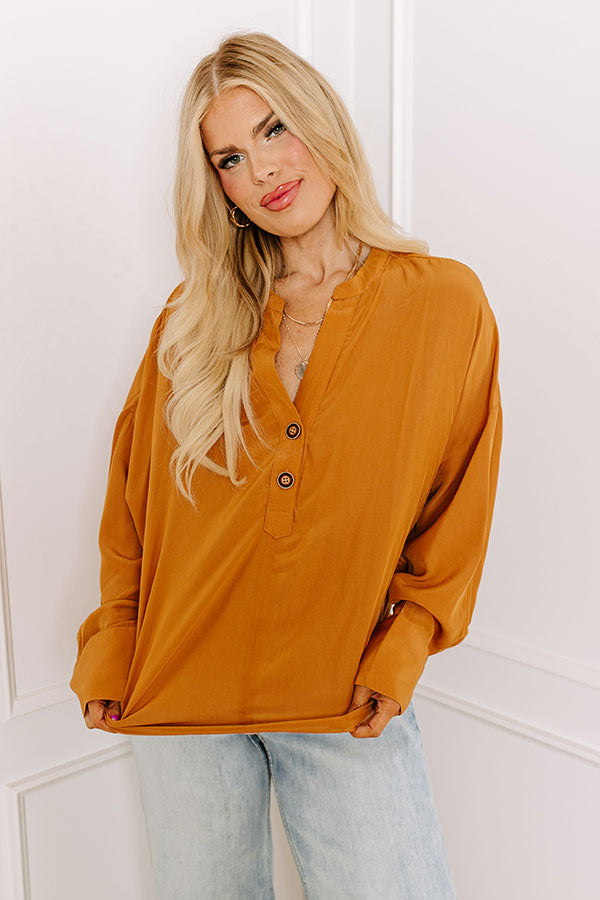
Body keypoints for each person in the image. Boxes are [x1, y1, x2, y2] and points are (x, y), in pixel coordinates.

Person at [69, 30, 503, 899]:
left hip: (344, 695)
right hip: (181, 691)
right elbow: (134, 506)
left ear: (321, 120)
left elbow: (457, 503)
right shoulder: (191, 320)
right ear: (220, 190)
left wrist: (405, 645)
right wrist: (114, 640)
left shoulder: (443, 302)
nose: (262, 168)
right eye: (229, 158)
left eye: (274, 129)